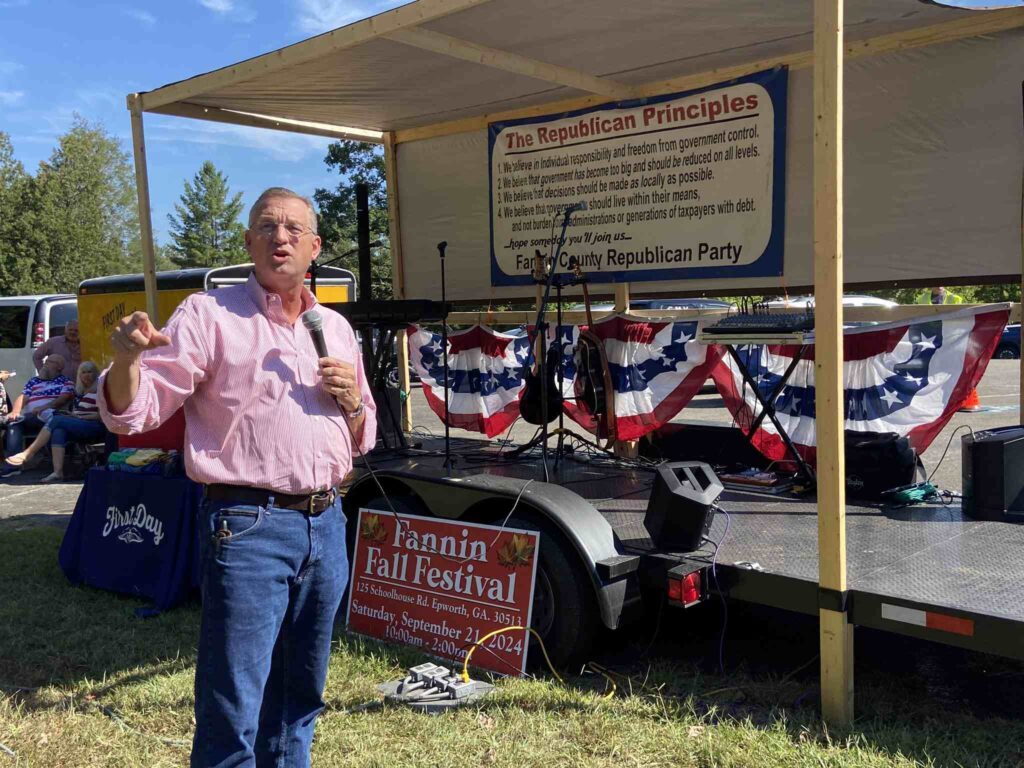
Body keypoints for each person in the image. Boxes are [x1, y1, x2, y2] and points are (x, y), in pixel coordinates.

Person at [98, 187, 376, 768]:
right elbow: (138, 409)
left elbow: (363, 435)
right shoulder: (210, 315)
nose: (282, 238)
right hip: (248, 527)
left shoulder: (336, 328)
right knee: (234, 705)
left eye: (295, 229)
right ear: (249, 241)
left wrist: (353, 403)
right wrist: (126, 360)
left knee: (300, 697)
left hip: (326, 525)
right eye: (268, 227)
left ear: (315, 247)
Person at [0, 361, 105, 481]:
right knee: (57, 430)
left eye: (90, 372)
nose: (86, 375)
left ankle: (28, 453)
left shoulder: (99, 390)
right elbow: (23, 396)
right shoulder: (79, 391)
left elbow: (102, 416)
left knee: (56, 420)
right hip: (74, 422)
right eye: (83, 372)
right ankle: (57, 472)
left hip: (94, 425)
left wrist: (79, 417)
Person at [1, 355, 74, 459]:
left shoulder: (66, 382)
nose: (45, 364)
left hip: (50, 418)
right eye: (45, 361)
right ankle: (13, 465)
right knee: (14, 423)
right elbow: (23, 397)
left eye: (50, 362)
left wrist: (43, 407)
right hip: (30, 417)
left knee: (14, 421)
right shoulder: (34, 381)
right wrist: (15, 411)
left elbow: (62, 399)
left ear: (59, 367)